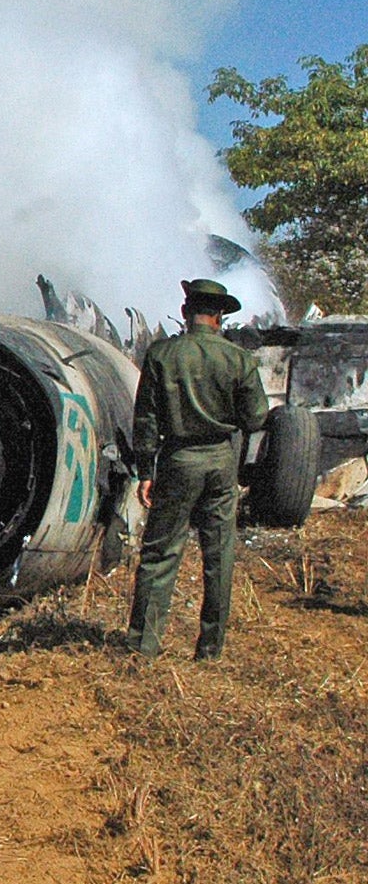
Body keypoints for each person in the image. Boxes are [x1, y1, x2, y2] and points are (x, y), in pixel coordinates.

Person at [125, 278, 273, 659]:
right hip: (221, 462)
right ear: (219, 317)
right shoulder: (239, 359)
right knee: (219, 555)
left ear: (186, 312)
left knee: (160, 554)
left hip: (177, 461)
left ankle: (144, 647)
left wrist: (145, 471)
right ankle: (210, 650)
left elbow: (146, 420)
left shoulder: (161, 355)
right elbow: (257, 417)